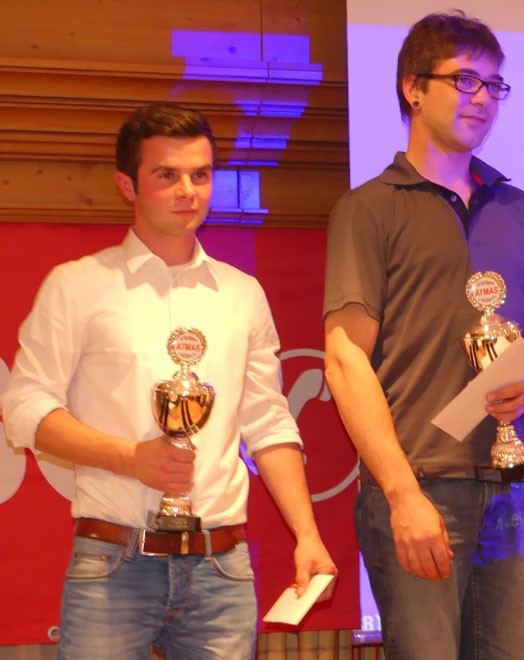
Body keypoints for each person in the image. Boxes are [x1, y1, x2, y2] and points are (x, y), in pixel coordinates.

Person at [0, 103, 336, 659]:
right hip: (113, 561)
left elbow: (269, 422)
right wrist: (131, 458)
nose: (188, 191)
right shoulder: (77, 285)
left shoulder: (242, 294)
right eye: (167, 175)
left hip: (221, 566)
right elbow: (25, 408)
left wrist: (308, 535)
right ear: (127, 185)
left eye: (200, 174)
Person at [323, 10, 524, 660]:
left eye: (494, 85)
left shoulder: (523, 210)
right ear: (413, 88)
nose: (483, 99)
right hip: (421, 484)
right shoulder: (369, 208)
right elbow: (344, 361)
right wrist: (401, 494)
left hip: (515, 482)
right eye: (465, 80)